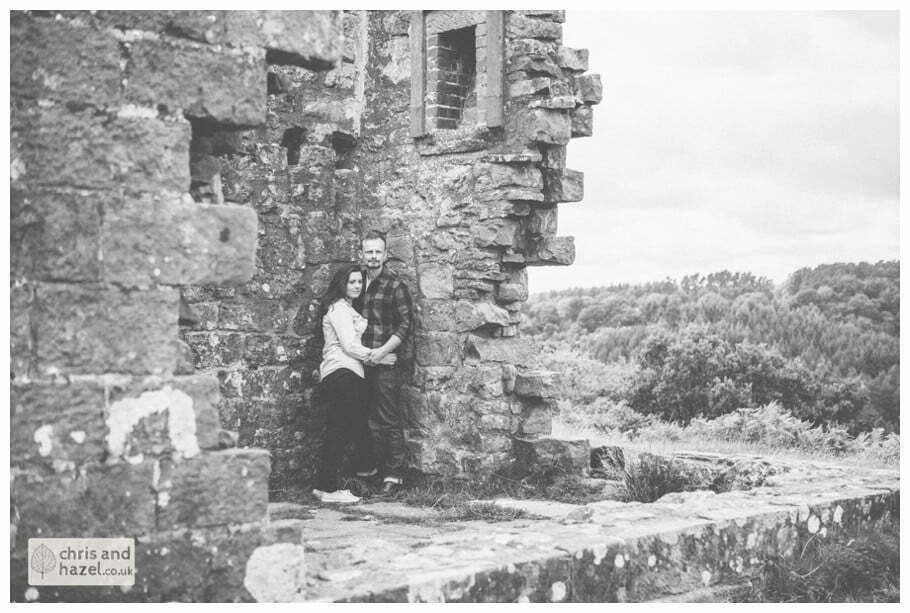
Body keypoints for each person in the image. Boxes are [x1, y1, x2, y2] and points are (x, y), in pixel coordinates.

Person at [312, 264, 395, 504]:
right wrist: (378, 355)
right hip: (341, 372)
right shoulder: (338, 309)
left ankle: (333, 482)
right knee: (338, 430)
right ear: (342, 284)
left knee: (345, 428)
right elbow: (349, 346)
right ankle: (327, 488)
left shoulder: (347, 309)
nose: (357, 286)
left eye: (359, 282)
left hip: (349, 373)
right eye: (351, 282)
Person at [357, 231, 414, 497]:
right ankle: (368, 471)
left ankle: (394, 475)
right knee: (364, 419)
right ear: (362, 253)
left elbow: (405, 325)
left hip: (386, 361)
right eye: (369, 252)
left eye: (378, 252)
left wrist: (382, 352)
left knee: (389, 419)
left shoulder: (394, 286)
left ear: (385, 254)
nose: (373, 257)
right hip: (360, 361)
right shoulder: (356, 283)